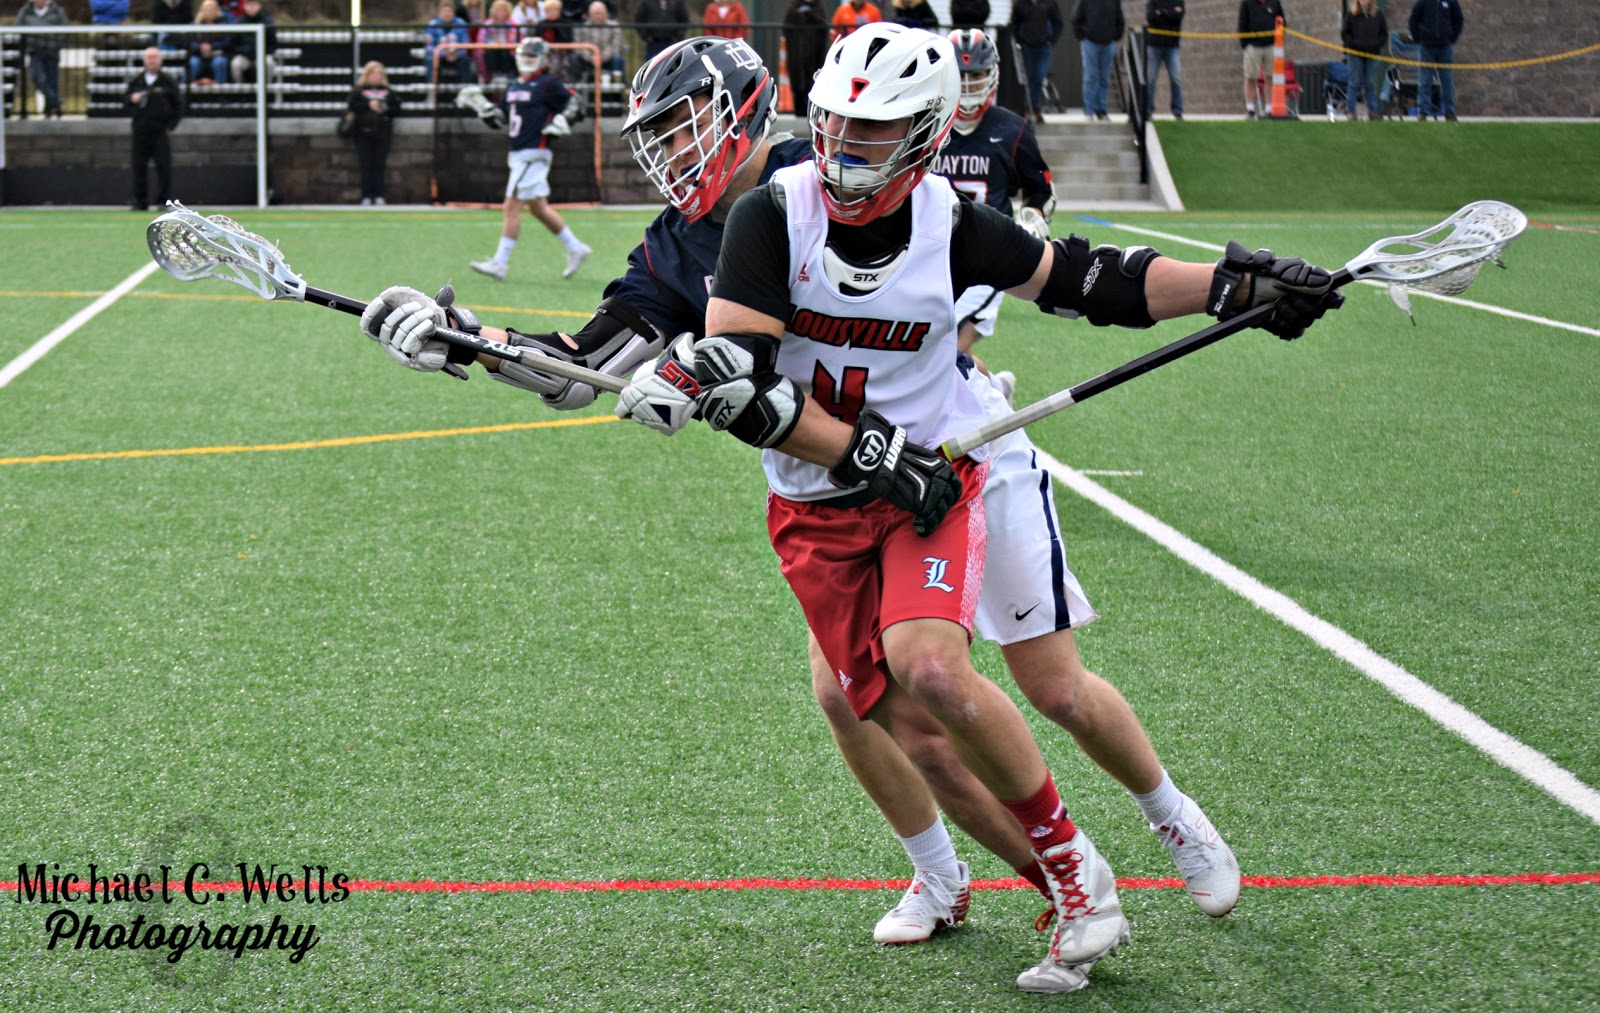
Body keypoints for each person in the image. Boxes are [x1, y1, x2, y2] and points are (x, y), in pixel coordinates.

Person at [358, 32, 1341, 991]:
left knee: (1046, 683)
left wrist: (1226, 285)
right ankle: (991, 876)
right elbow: (584, 366)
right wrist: (465, 342)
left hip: (956, 454)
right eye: (656, 130)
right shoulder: (695, 241)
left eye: (685, 122)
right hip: (836, 481)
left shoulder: (859, 181)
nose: (670, 148)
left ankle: (1166, 817)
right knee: (860, 700)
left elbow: (1074, 277)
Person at [935, 28, 1053, 368]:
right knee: (943, 359)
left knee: (949, 357)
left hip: (986, 260)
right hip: (929, 255)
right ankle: (997, 389)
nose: (969, 85)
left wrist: (1032, 217)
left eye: (977, 75)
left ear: (993, 75)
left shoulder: (1011, 129)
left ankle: (1005, 420)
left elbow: (1041, 191)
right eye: (962, 76)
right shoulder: (928, 125)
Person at [468, 38, 591, 281]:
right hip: (517, 152)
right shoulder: (513, 85)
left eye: (532, 57)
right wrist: (484, 108)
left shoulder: (548, 84)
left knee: (511, 206)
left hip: (534, 153)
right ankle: (576, 248)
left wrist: (564, 119)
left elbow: (577, 103)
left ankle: (500, 263)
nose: (527, 61)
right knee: (538, 208)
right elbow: (503, 119)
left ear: (543, 60)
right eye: (524, 56)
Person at [127, 46, 182, 211]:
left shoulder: (167, 81)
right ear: (144, 60)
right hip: (140, 131)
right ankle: (139, 201)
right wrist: (132, 100)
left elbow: (179, 105)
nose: (151, 61)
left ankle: (164, 201)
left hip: (160, 131)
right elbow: (125, 102)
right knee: (138, 167)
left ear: (160, 60)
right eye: (149, 58)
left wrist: (170, 126)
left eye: (154, 57)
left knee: (164, 167)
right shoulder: (136, 81)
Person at [346, 60, 401, 205]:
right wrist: (368, 105)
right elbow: (352, 105)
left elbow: (397, 108)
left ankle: (379, 195)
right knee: (366, 164)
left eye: (378, 74)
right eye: (373, 73)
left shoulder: (388, 91)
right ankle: (366, 195)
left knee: (379, 165)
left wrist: (383, 108)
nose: (376, 77)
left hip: (383, 132)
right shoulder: (358, 91)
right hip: (363, 132)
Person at [1009, 0, 1062, 122]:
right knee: (1029, 77)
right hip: (1027, 47)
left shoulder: (1050, 3)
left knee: (1039, 76)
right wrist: (1019, 40)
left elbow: (1058, 23)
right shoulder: (1020, 4)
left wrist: (1051, 40)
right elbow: (1014, 23)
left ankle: (1034, 107)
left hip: (1044, 47)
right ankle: (1030, 109)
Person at [1408, 0, 1461, 121]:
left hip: (1445, 47)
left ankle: (1449, 111)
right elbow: (1413, 20)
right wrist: (1419, 38)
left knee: (1447, 81)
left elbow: (1459, 20)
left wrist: (1452, 38)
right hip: (1426, 48)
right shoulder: (1423, 2)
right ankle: (1423, 111)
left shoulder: (1451, 1)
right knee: (1425, 81)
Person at [14, 0, 68, 119]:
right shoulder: (25, 11)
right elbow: (17, 27)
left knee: (52, 80)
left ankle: (50, 110)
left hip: (52, 50)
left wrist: (56, 43)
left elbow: (65, 28)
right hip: (35, 51)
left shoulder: (57, 10)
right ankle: (57, 101)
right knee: (36, 77)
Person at [1070, 0, 1121, 121]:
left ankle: (1101, 110)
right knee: (1090, 77)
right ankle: (1089, 111)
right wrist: (1082, 36)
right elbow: (1075, 19)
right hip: (1090, 43)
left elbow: (1120, 20)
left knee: (1104, 78)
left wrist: (1115, 35)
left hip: (1108, 43)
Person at [1238, 0, 1284, 118]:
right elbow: (1242, 23)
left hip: (1271, 46)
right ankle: (1250, 109)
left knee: (1270, 77)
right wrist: (1245, 44)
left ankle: (1269, 109)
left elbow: (1282, 22)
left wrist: (1278, 41)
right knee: (1250, 77)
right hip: (1253, 46)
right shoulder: (1247, 3)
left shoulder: (1274, 2)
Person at [1340, 0, 1385, 120]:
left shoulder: (1378, 15)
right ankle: (1351, 112)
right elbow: (1345, 34)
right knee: (1354, 82)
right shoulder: (1351, 15)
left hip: (1372, 54)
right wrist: (1353, 44)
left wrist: (1376, 44)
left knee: (1370, 83)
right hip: (1355, 54)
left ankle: (1372, 111)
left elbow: (1383, 34)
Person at [1144, 0, 1184, 119]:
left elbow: (1178, 17)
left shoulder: (1179, 1)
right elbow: (1150, 17)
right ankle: (1148, 111)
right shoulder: (1153, 1)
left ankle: (1177, 111)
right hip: (1154, 45)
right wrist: (1169, 14)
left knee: (1176, 79)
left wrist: (1161, 13)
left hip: (1172, 47)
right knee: (1150, 80)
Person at [427, 0, 477, 84]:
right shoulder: (433, 24)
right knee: (430, 60)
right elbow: (430, 46)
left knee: (466, 61)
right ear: (439, 13)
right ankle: (433, 90)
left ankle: (465, 89)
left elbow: (465, 43)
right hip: (440, 56)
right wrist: (443, 54)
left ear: (454, 12)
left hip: (457, 56)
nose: (447, 14)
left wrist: (456, 54)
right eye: (444, 11)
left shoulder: (461, 23)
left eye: (449, 11)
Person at [573, 0, 624, 76]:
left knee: (618, 59)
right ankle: (578, 84)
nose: (597, 16)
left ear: (606, 13)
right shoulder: (582, 28)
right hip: (588, 59)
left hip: (608, 58)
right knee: (574, 59)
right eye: (595, 13)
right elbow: (579, 47)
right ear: (590, 14)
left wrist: (601, 57)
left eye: (600, 13)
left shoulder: (614, 26)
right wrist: (591, 58)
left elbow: (616, 45)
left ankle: (617, 84)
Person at [187, 0, 232, 85]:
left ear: (217, 11)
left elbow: (227, 42)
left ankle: (221, 92)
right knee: (193, 62)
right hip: (198, 55)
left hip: (217, 54)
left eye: (212, 9)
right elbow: (189, 43)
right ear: (202, 11)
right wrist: (200, 47)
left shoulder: (223, 24)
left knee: (219, 62)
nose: (209, 12)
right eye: (207, 9)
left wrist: (212, 46)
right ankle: (187, 90)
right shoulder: (195, 25)